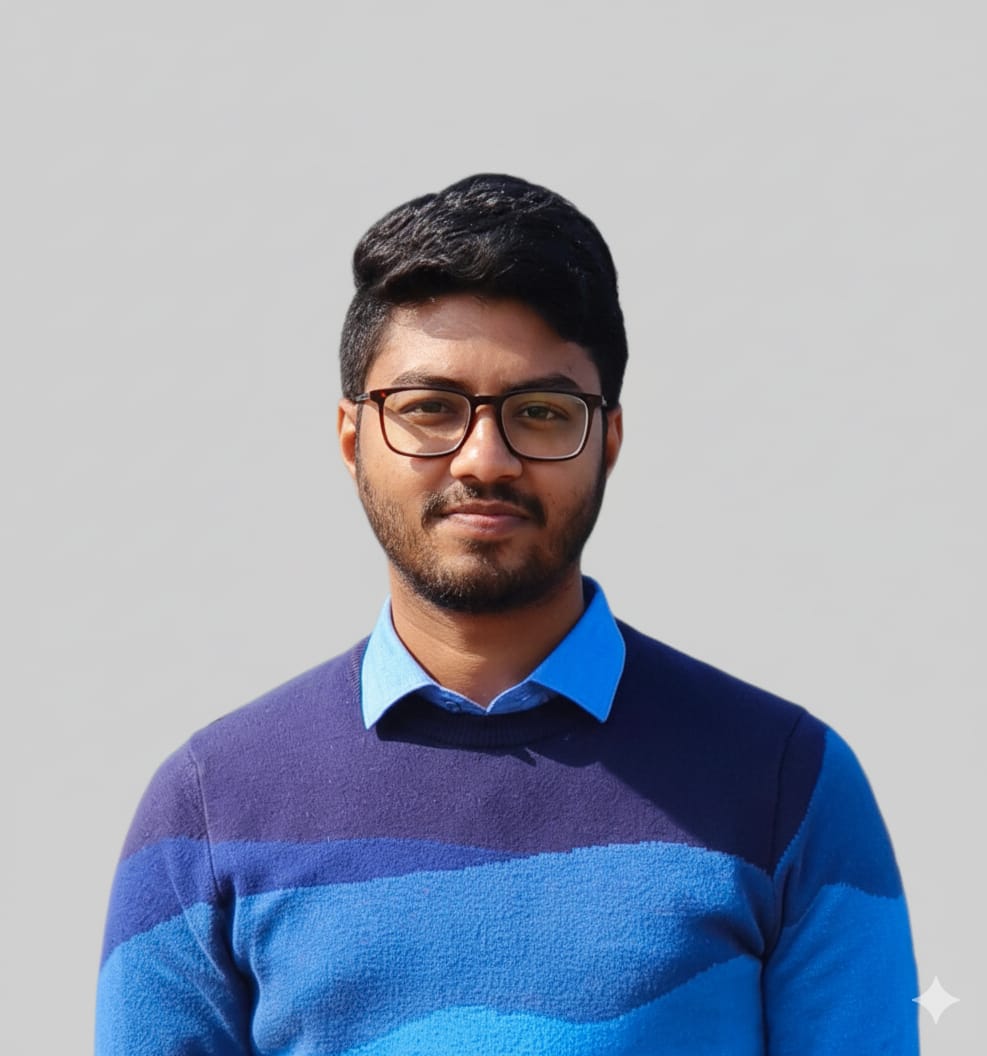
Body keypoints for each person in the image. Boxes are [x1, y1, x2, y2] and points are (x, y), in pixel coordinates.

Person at [96, 174, 919, 1054]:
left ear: (608, 440)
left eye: (541, 412)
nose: (484, 460)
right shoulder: (210, 810)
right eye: (429, 408)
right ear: (352, 436)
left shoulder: (787, 783)